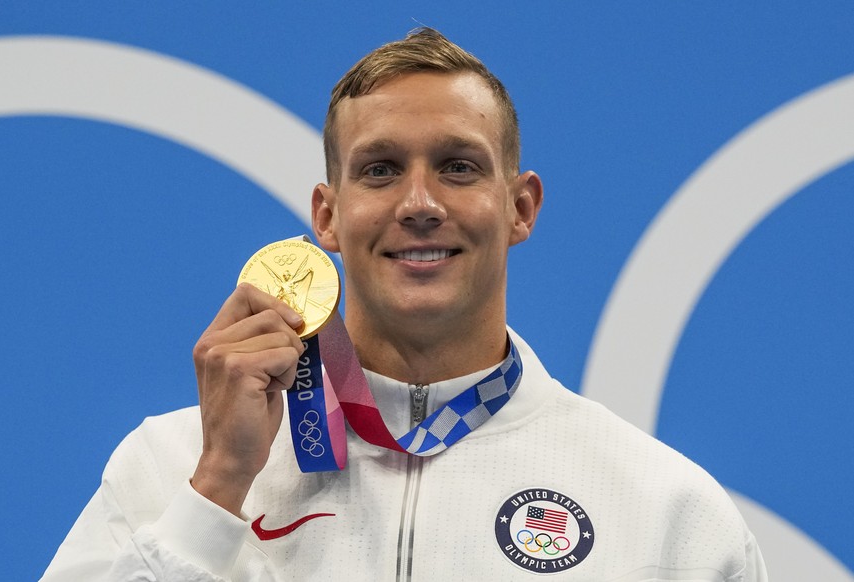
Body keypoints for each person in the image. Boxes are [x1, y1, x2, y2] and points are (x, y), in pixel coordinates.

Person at [42, 28, 768, 581]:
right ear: (328, 215)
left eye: (456, 167)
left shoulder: (664, 509)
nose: (419, 204)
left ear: (520, 207)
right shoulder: (168, 463)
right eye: (381, 170)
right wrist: (219, 486)